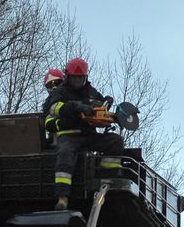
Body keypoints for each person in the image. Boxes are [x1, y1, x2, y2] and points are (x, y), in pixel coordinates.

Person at [45, 57, 125, 211]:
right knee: (65, 153)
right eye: (75, 78)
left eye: (81, 78)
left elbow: (101, 106)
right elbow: (54, 108)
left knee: (115, 141)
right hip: (69, 135)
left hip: (89, 134)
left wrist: (106, 103)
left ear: (86, 77)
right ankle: (62, 198)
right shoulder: (60, 91)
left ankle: (106, 180)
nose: (78, 81)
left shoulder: (91, 91)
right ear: (68, 76)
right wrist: (75, 107)